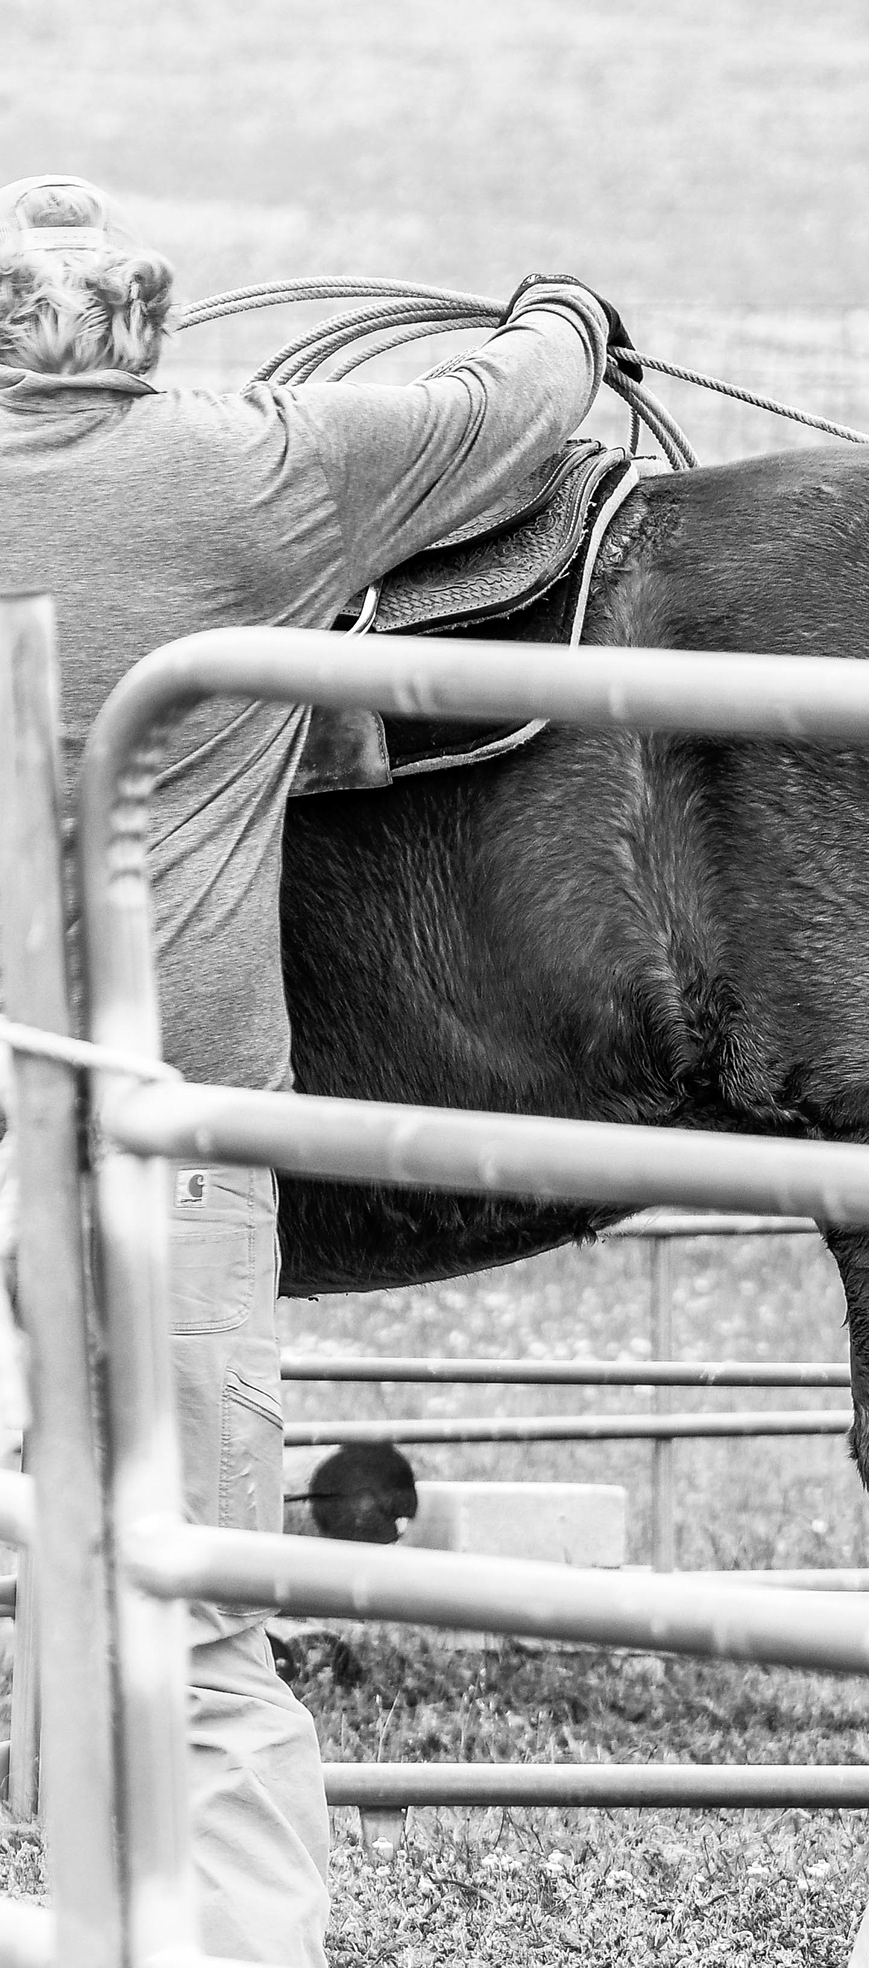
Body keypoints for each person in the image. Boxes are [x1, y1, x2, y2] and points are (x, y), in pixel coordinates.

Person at [0, 172, 622, 1967]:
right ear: (142, 330)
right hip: (169, 1146)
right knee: (202, 1612)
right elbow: (502, 412)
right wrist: (566, 317)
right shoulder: (246, 468)